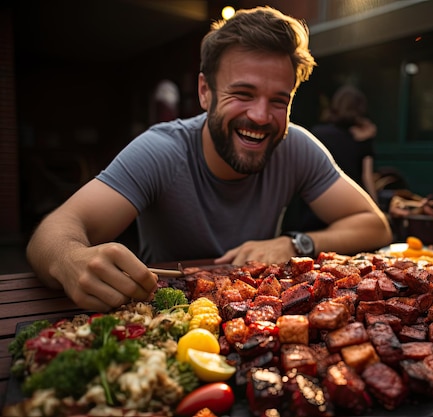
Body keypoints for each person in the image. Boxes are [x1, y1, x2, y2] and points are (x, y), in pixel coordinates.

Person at [25, 6, 392, 313]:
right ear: (205, 92)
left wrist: (295, 244)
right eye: (243, 93)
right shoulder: (162, 149)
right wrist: (72, 259)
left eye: (279, 100)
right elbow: (54, 231)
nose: (262, 116)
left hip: (260, 320)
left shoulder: (295, 145)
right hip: (168, 319)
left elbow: (375, 225)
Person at [284, 85, 379, 231]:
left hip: (312, 210)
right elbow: (367, 177)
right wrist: (375, 208)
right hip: (348, 212)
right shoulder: (363, 139)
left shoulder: (316, 134)